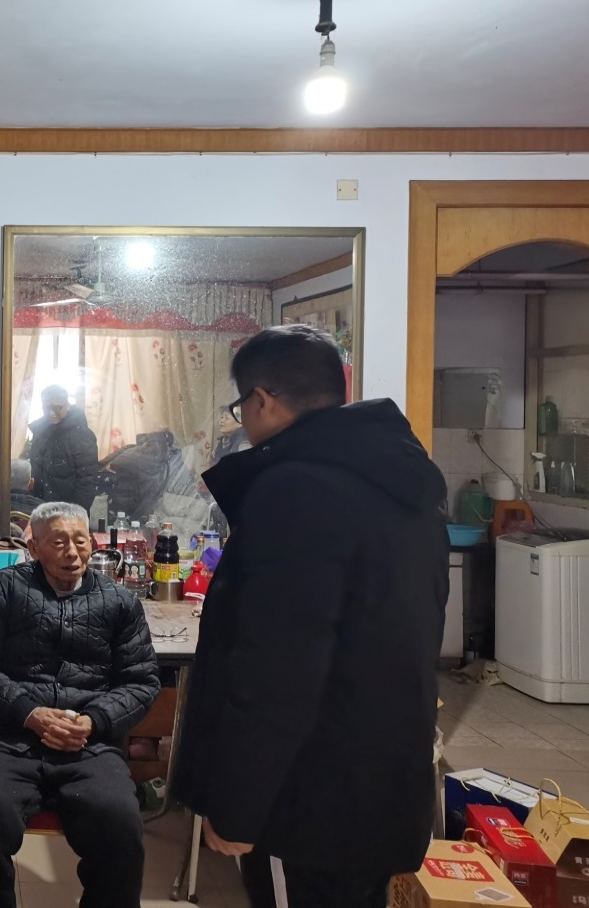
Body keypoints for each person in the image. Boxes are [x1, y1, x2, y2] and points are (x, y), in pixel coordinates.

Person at [171, 325, 448, 908]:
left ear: (263, 400)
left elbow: (279, 667)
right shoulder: (400, 483)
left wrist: (240, 804)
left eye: (241, 407)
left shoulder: (295, 489)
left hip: (306, 799)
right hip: (379, 780)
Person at [0, 501, 160, 908]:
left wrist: (94, 721)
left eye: (80, 541)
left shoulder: (120, 602)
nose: (72, 552)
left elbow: (141, 681)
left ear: (92, 544)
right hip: (8, 736)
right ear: (34, 549)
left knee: (119, 821)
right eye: (59, 542)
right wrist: (30, 714)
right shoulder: (2, 589)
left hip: (90, 743)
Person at [27, 385, 100, 509]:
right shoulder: (39, 431)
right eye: (47, 408)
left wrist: (72, 514)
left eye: (57, 408)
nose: (51, 413)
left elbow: (87, 481)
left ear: (68, 405)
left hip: (69, 512)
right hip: (39, 508)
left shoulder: (81, 434)